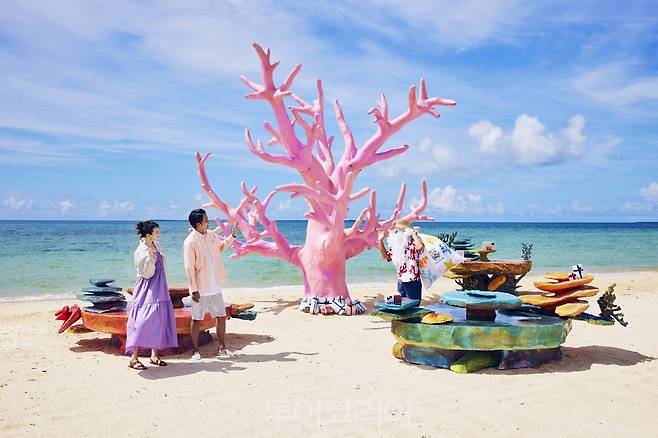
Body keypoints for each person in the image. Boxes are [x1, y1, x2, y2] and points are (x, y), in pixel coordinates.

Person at [184, 208, 238, 360]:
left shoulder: (212, 235)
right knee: (196, 319)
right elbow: (189, 267)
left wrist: (232, 236)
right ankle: (195, 351)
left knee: (221, 316)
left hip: (215, 285)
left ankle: (222, 348)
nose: (208, 221)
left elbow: (221, 248)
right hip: (200, 288)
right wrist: (193, 289)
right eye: (206, 220)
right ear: (198, 224)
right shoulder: (190, 242)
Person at [126, 220, 178, 370]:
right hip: (147, 288)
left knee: (159, 319)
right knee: (142, 320)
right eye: (156, 232)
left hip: (160, 287)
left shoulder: (156, 245)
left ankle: (154, 355)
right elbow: (147, 273)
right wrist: (150, 257)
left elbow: (163, 267)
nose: (158, 234)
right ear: (148, 235)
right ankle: (133, 358)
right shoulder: (140, 251)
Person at [378, 219, 425, 300]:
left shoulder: (412, 244)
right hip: (400, 281)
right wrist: (380, 240)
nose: (397, 233)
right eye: (396, 231)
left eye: (399, 230)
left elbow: (420, 247)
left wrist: (414, 234)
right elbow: (385, 256)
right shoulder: (396, 247)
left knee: (413, 307)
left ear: (407, 231)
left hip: (412, 281)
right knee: (402, 307)